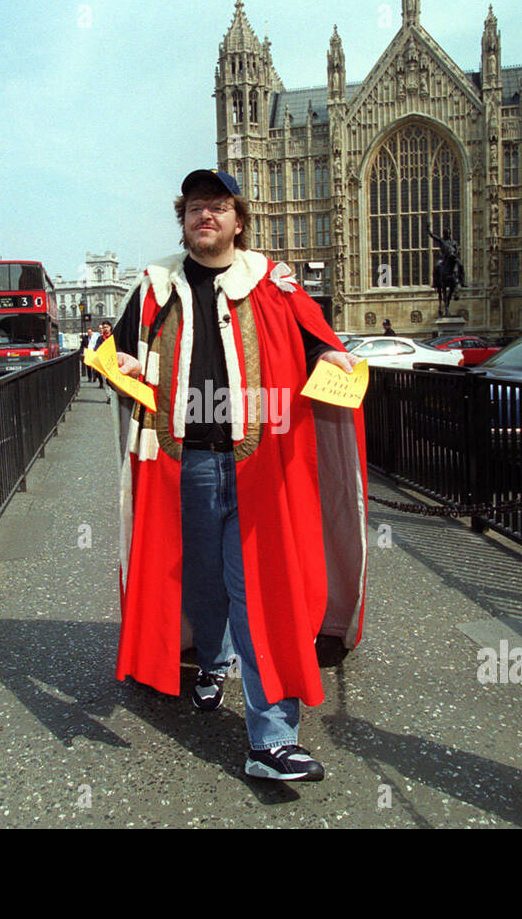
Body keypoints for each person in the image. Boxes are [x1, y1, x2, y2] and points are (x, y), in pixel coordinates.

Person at [109, 168, 367, 782]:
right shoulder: (153, 287)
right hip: (184, 464)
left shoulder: (273, 283)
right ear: (185, 219)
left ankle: (270, 740)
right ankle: (212, 662)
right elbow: (117, 351)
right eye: (197, 207)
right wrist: (117, 359)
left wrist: (330, 353)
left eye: (218, 207)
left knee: (258, 597)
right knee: (201, 585)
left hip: (259, 467)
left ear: (238, 220)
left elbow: (313, 345)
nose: (207, 216)